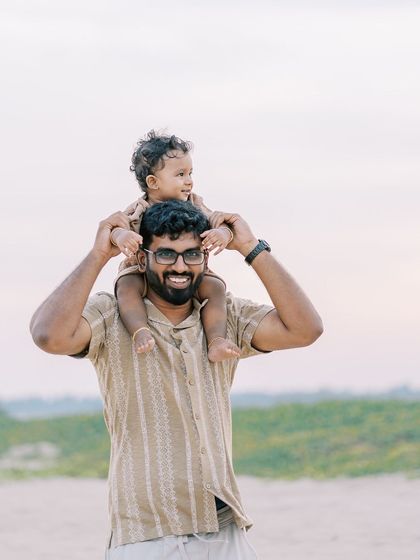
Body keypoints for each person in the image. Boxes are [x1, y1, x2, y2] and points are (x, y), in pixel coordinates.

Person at [30, 200, 323, 559]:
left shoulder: (224, 316)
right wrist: (97, 255)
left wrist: (250, 246)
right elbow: (48, 336)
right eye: (167, 254)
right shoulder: (110, 314)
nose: (181, 266)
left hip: (224, 529)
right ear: (143, 257)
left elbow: (305, 329)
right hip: (145, 535)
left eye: (192, 254)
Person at [111, 129, 241, 363]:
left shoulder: (194, 204)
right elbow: (116, 228)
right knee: (126, 286)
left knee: (215, 288)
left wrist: (222, 233)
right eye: (180, 174)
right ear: (153, 182)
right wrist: (122, 237)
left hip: (189, 268)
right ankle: (140, 330)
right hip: (142, 267)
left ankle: (216, 340)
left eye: (190, 173)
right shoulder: (140, 208)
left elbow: (220, 221)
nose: (189, 180)